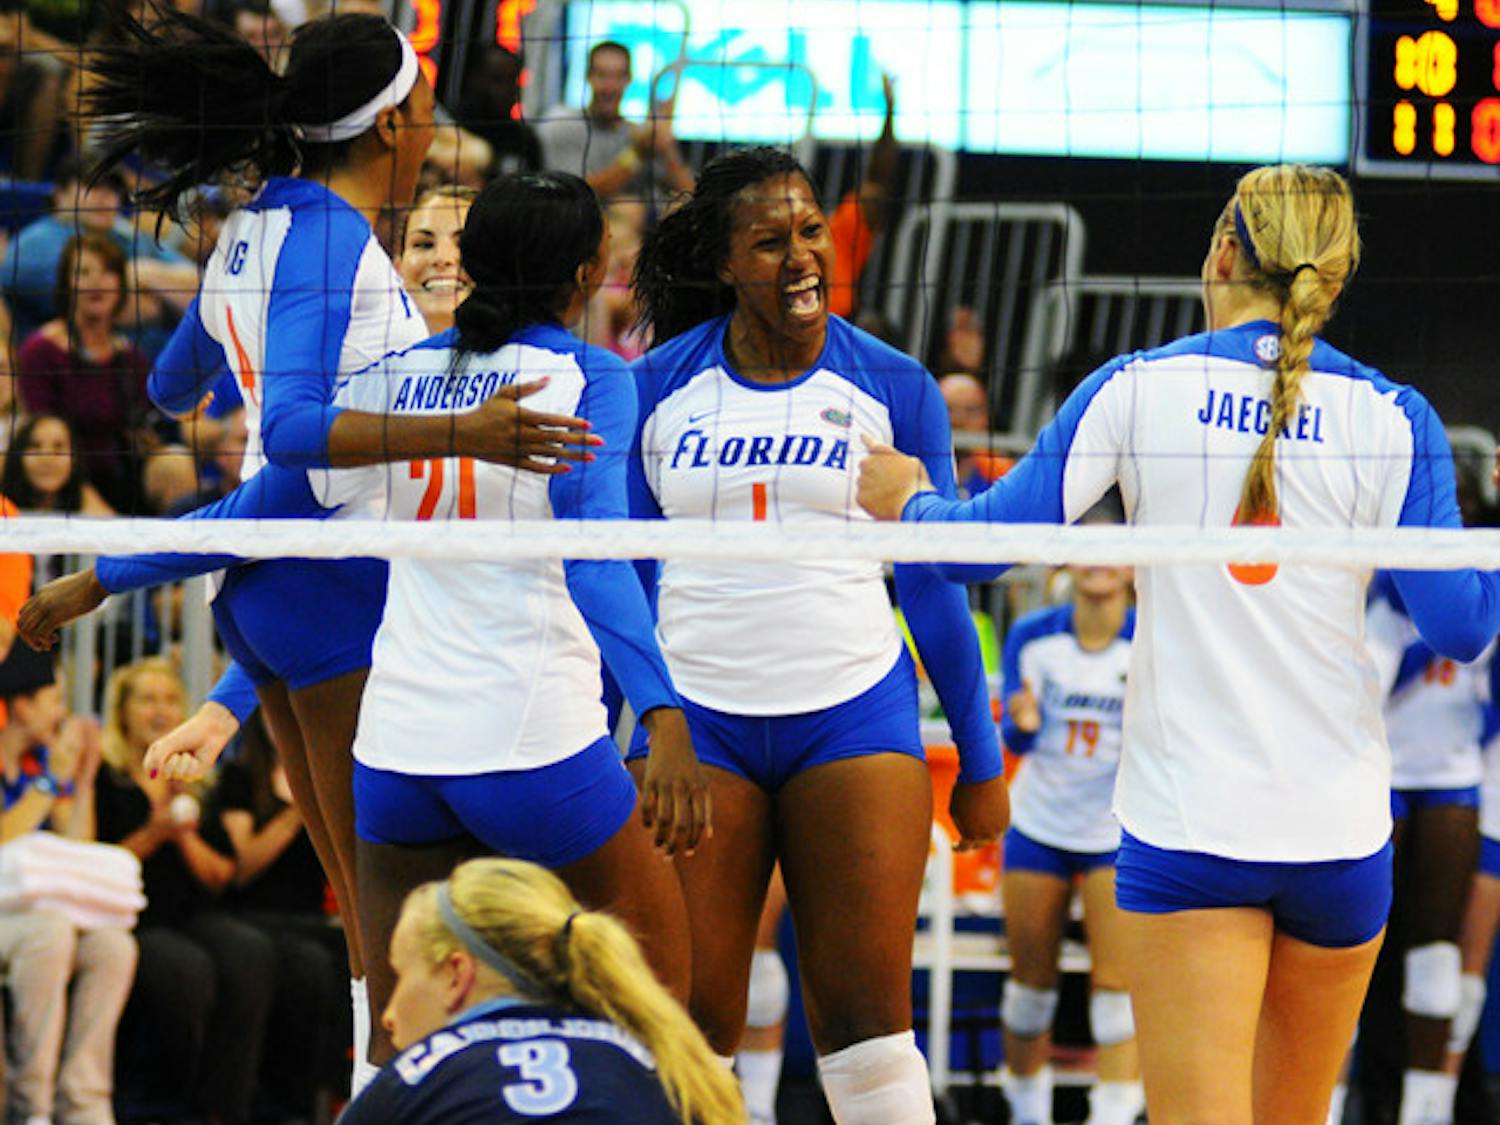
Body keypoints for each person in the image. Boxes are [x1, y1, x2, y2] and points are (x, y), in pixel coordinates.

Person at [857, 163, 1500, 1124]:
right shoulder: (1393, 417)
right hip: (1339, 837)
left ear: (1225, 249)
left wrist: (905, 496)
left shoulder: (1138, 389)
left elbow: (979, 549)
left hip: (1196, 829)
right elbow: (1463, 626)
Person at [21, 172, 708, 1070]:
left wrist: (106, 575)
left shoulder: (389, 384)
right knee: (661, 1007)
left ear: (470, 264)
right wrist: (662, 714)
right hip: (529, 748)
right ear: (588, 275)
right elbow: (595, 559)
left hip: (398, 761)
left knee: (397, 1034)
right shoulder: (589, 376)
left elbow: (265, 510)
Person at [67, 6, 598, 1083]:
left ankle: (390, 1098)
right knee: (414, 921)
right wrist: (460, 427)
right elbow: (303, 454)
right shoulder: (327, 239)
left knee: (372, 926)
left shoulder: (257, 232)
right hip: (344, 585)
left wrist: (250, 334)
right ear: (397, 120)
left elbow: (177, 390)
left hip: (270, 599)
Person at [628, 146, 1008, 1123]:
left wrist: (980, 754)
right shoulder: (653, 386)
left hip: (852, 718)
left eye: (809, 234)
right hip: (698, 725)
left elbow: (930, 590)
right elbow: (616, 574)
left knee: (868, 1019)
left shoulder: (894, 383)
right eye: (770, 242)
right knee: (688, 1015)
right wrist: (627, 729)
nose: (802, 258)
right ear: (721, 262)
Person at [343, 857, 743, 1124]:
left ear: (456, 974)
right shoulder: (663, 1069)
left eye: (401, 976)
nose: (389, 1015)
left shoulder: (413, 1081)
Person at [94, 657, 275, 1124]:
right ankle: (167, 1106)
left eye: (171, 699)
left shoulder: (196, 779)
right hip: (132, 916)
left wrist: (185, 829)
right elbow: (95, 866)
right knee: (185, 971)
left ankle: (226, 1109)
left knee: (251, 952)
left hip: (192, 913)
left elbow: (221, 875)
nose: (161, 709)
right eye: (148, 699)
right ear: (122, 710)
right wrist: (153, 833)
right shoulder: (105, 777)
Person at [998, 542, 1143, 1125]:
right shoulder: (1033, 636)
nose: (1099, 557)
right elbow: (1017, 733)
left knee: (1116, 993)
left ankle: (1110, 1115)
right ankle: (1026, 1113)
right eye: (1084, 545)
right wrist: (1023, 727)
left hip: (1116, 829)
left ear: (1136, 562)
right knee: (1029, 992)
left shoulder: (1150, 639)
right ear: (1065, 560)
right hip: (1039, 823)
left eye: (1113, 547)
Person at [1358, 571, 1495, 1125]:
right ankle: (1326, 1104)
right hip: (1380, 777)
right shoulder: (1386, 588)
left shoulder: (1485, 583)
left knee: (1439, 954)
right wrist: (1431, 631)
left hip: (1453, 776)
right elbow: (1361, 689)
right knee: (1346, 952)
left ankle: (1425, 1110)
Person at [0, 644, 136, 1125]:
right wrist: (48, 784)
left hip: (35, 914)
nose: (60, 712)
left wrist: (81, 781)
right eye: (52, 699)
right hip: (13, 919)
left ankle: (84, 1102)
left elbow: (78, 846)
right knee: (52, 931)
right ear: (21, 705)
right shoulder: (27, 771)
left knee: (113, 946)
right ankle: (30, 1106)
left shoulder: (43, 764)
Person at [17, 233, 157, 513]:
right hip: (60, 473)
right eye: (84, 272)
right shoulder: (41, 351)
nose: (96, 282)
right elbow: (42, 432)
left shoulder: (131, 357)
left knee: (172, 464)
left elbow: (146, 425)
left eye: (107, 272)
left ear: (120, 285)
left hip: (122, 474)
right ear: (67, 284)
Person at [0, 155, 199, 345]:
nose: (105, 197)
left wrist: (143, 272)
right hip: (68, 368)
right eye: (93, 186)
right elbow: (107, 309)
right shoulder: (35, 243)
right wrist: (168, 303)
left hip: (146, 361)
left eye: (113, 189)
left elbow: (200, 284)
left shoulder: (127, 234)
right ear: (60, 195)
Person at [538, 40, 694, 205]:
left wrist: (666, 148)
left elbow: (690, 193)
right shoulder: (561, 124)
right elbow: (577, 193)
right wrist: (636, 155)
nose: (610, 87)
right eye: (602, 75)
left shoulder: (640, 134)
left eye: (618, 76)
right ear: (588, 77)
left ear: (629, 80)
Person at [397, 184, 475, 334]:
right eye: (425, 245)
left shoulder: (528, 354)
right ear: (397, 268)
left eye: (465, 243)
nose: (442, 258)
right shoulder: (369, 353)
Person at [0, 414, 114, 516]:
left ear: (74, 459)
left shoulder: (84, 497)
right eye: (35, 446)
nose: (47, 458)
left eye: (58, 447)